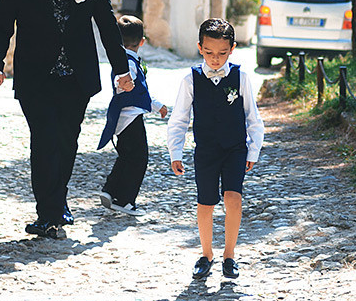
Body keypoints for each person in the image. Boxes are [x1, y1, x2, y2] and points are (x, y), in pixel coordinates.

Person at [0, 0, 130, 240]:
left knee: (67, 141)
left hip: (77, 77)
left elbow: (106, 22)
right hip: (36, 78)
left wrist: (122, 68)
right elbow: (2, 26)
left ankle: (57, 204)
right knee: (44, 141)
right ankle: (48, 214)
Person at [168, 18, 264, 280]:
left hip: (235, 148)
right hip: (206, 150)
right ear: (200, 48)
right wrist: (176, 153)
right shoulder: (191, 80)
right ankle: (207, 253)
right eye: (209, 53)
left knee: (233, 198)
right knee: (206, 202)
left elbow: (253, 118)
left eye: (222, 53)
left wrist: (253, 151)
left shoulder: (240, 77)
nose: (215, 59)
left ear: (232, 49)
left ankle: (229, 255)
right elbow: (179, 119)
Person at [96, 15, 168, 214]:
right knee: (139, 159)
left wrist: (157, 105)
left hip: (123, 118)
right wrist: (122, 85)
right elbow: (125, 84)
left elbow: (140, 92)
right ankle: (125, 200)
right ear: (142, 42)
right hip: (131, 118)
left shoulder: (124, 61)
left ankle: (110, 191)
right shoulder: (128, 64)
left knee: (126, 156)